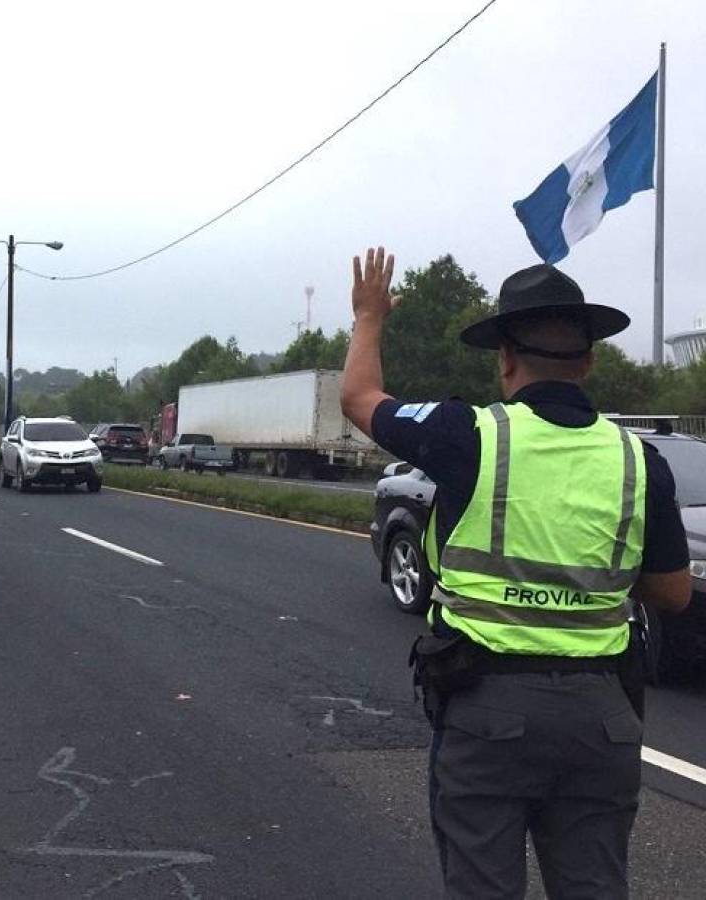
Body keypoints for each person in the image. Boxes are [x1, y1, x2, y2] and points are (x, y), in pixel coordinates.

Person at [340, 248, 691, 899]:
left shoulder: (467, 435)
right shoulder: (639, 461)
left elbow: (360, 398)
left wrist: (369, 317)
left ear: (504, 358)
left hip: (488, 710)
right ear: (588, 360)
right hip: (602, 717)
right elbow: (671, 592)